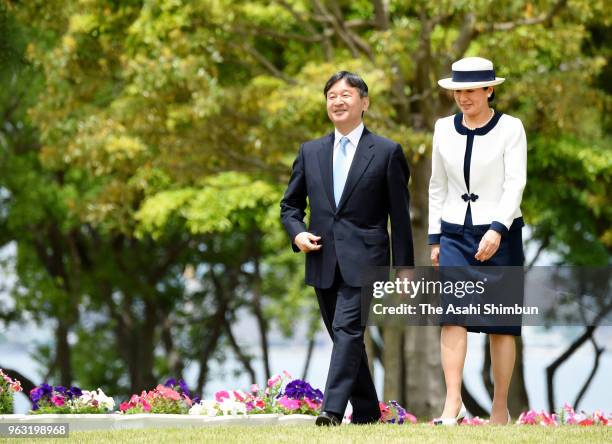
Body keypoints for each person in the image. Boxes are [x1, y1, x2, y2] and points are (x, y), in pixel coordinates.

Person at [280, 71, 414, 425]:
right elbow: (290, 205)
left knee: (348, 332)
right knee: (345, 338)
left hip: (366, 261)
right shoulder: (310, 152)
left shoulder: (386, 152)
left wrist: (404, 269)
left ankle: (332, 412)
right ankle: (368, 412)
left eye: (345, 95)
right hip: (322, 259)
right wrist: (297, 234)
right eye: (331, 96)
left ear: (364, 102)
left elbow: (400, 217)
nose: (337, 101)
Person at [428, 57, 527, 425]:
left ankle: (500, 409)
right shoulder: (442, 128)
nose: (463, 97)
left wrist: (497, 229)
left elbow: (515, 183)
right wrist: (435, 238)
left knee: (501, 323)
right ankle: (451, 404)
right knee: (452, 316)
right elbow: (437, 185)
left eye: (470, 90)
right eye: (458, 91)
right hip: (454, 231)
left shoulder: (511, 128)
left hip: (501, 232)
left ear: (489, 90)